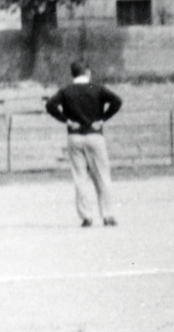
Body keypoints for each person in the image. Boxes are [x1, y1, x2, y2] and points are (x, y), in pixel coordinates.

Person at [45, 61, 123, 228]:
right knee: (102, 176)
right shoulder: (97, 88)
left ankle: (86, 216)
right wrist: (103, 119)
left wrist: (66, 120)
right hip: (94, 135)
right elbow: (117, 101)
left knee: (80, 178)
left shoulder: (66, 90)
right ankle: (107, 214)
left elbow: (50, 105)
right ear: (87, 72)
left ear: (73, 74)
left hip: (75, 136)